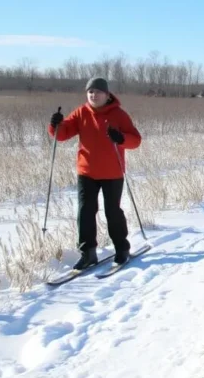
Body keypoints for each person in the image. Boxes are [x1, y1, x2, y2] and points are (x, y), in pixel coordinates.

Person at [48, 77, 142, 268]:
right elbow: (62, 134)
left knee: (112, 211)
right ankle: (88, 252)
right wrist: (55, 125)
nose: (94, 95)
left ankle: (122, 249)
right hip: (87, 171)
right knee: (85, 211)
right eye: (90, 92)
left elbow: (136, 140)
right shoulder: (82, 112)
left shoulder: (119, 115)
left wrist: (121, 138)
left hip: (112, 172)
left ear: (107, 95)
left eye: (98, 92)